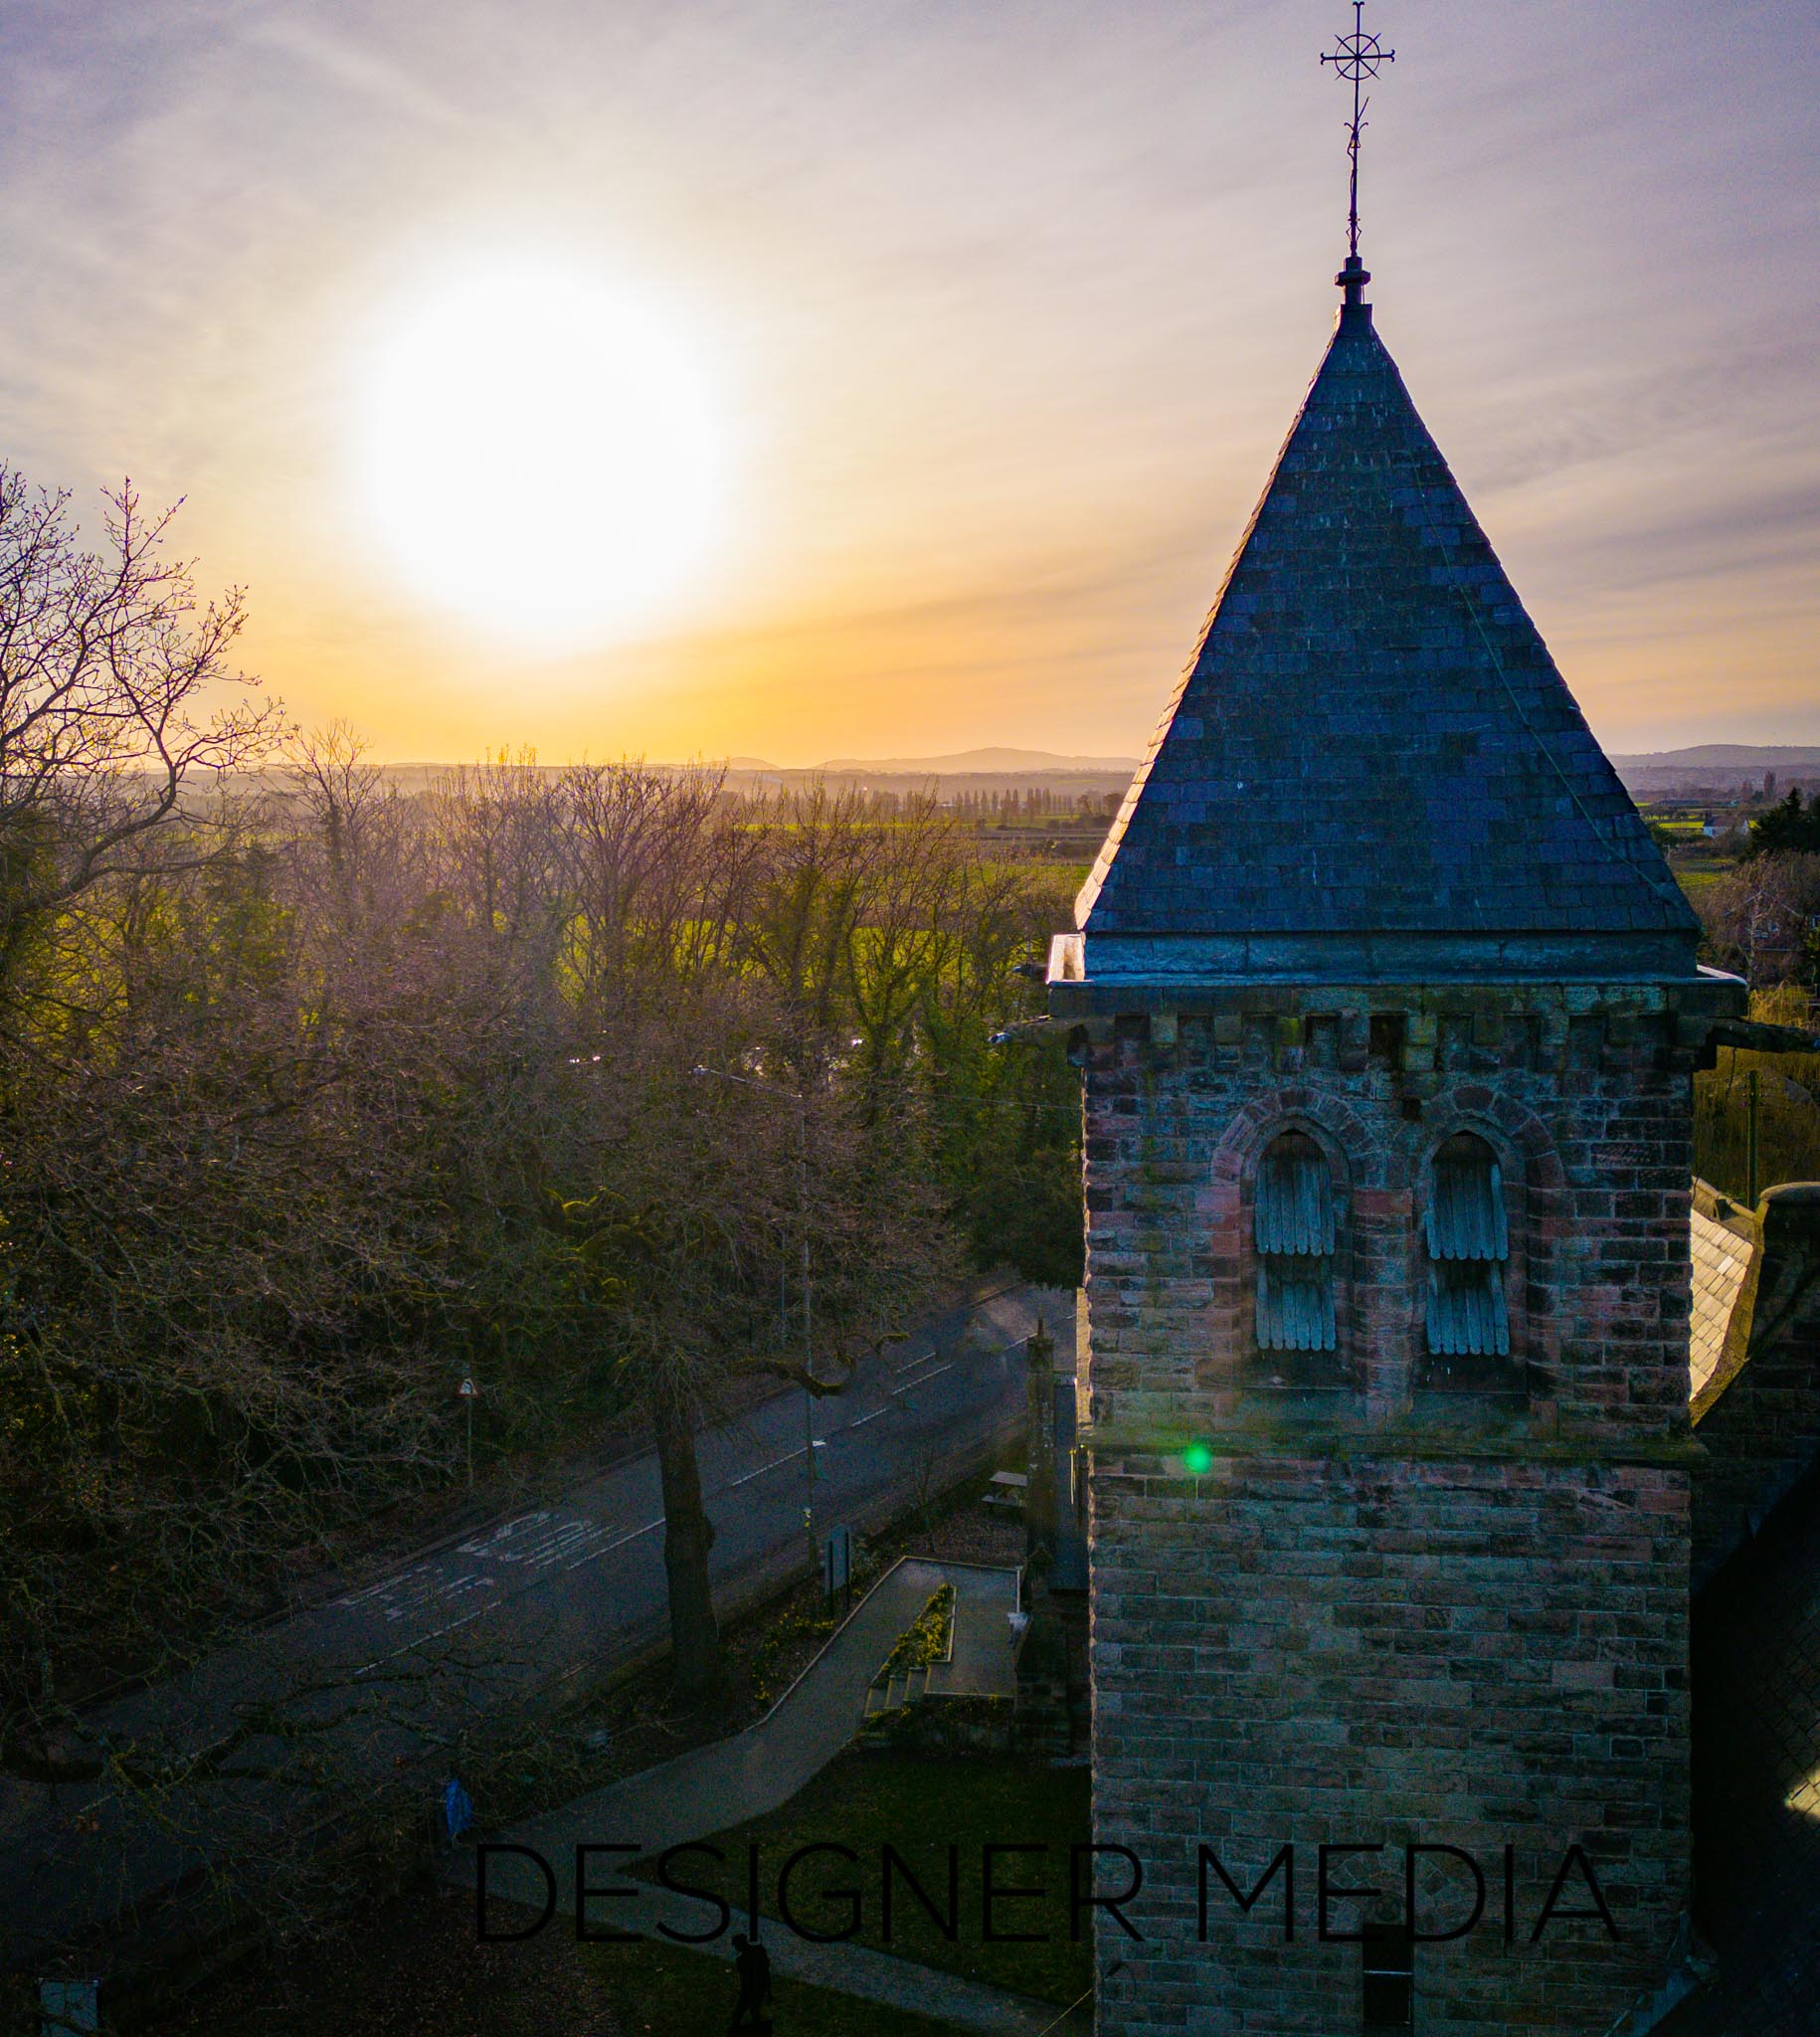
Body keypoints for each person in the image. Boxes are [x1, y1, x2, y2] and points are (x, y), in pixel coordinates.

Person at [728, 1932, 773, 2032]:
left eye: (736, 1945)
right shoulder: (759, 1952)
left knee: (739, 2014)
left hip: (749, 1991)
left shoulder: (741, 1960)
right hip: (759, 1988)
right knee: (754, 2011)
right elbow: (765, 1973)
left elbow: (745, 1980)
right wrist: (768, 1991)